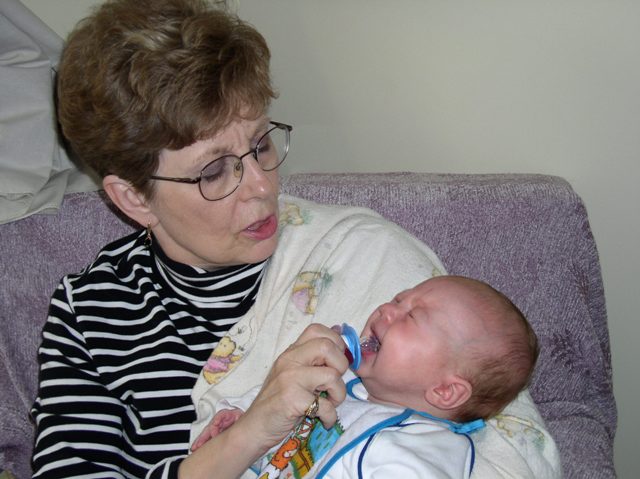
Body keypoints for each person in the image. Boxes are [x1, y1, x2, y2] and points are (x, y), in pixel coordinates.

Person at [30, 0, 560, 478]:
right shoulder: (90, 311)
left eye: (261, 144)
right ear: (133, 199)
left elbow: (516, 453)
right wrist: (244, 438)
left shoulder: (365, 258)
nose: (263, 187)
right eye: (214, 172)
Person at [191, 275, 539, 478]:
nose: (386, 309)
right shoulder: (340, 382)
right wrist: (240, 416)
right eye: (398, 300)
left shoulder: (423, 451)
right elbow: (276, 408)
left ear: (445, 390)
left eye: (412, 317)